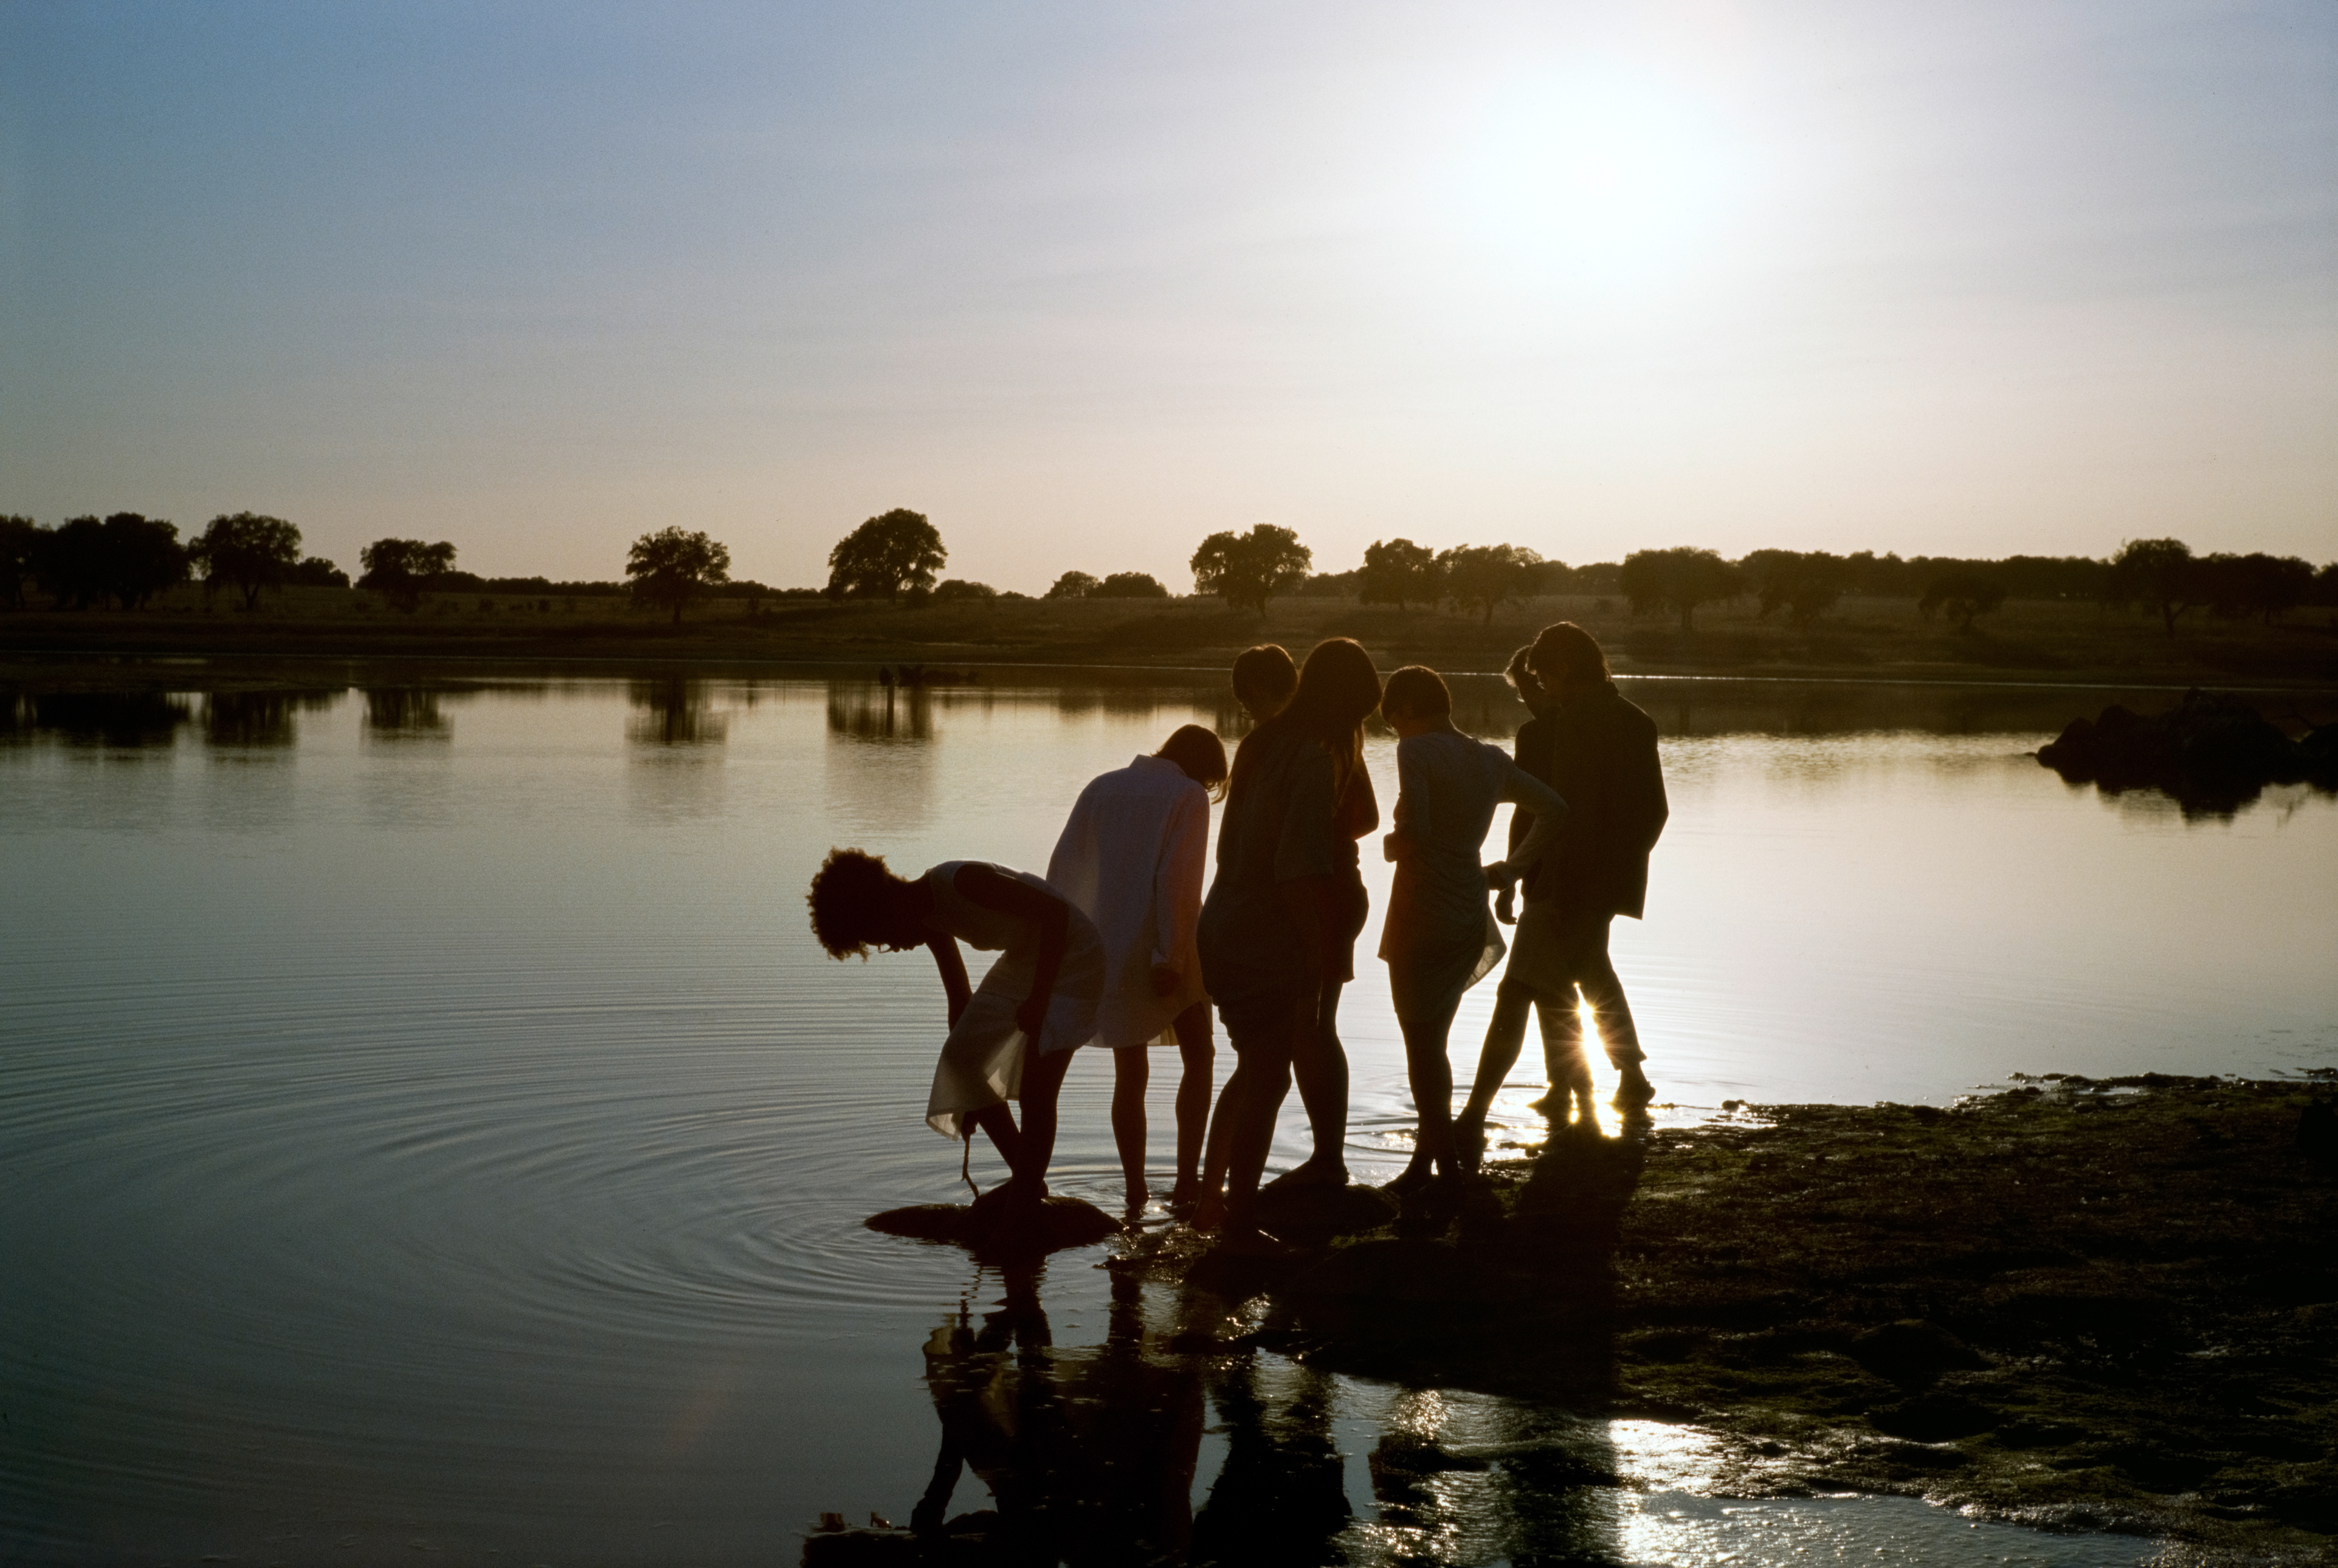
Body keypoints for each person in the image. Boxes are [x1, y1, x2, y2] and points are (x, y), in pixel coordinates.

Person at [1193, 637, 1382, 1235]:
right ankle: (1239, 1223)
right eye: (1357, 714)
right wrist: (1312, 948)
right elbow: (1297, 869)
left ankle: (1210, 1200)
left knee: (1256, 1067)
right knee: (1270, 1074)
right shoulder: (1309, 754)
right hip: (1267, 931)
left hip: (1225, 919)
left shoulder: (1261, 743)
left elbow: (1238, 850)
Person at [1458, 624, 1667, 1155]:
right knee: (1573, 978)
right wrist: (1615, 876)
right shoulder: (1635, 721)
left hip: (1561, 882)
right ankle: (1592, 1092)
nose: (1542, 690)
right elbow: (1652, 813)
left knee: (1518, 992)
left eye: (1545, 676)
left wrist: (1525, 877)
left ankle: (1475, 1114)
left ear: (1565, 671)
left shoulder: (1574, 724)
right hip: (1599, 883)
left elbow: (1558, 817)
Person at [807, 849, 1104, 1206]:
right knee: (960, 1060)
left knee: (1037, 1092)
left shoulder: (961, 882)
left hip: (1072, 953)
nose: (895, 948)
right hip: (1026, 959)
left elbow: (1056, 915)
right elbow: (960, 1005)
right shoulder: (930, 918)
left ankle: (1023, 1200)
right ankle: (1028, 1180)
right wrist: (970, 1099)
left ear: (885, 904)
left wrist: (1040, 1000)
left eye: (883, 936)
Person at [1376, 665, 1565, 1190]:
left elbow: (1416, 828)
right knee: (1433, 1037)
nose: (1396, 733)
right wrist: (1510, 869)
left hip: (1421, 905)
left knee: (1421, 1044)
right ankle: (1427, 1163)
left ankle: (1447, 1172)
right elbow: (1555, 808)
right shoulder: (1489, 759)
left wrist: (1392, 845)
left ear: (1408, 711)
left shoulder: (1415, 751)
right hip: (1466, 907)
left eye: (1394, 723)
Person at [1046, 724, 1227, 1212]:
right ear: (1205, 773)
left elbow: (1064, 869)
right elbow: (1179, 882)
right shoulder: (1187, 795)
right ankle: (1188, 1182)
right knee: (1201, 1055)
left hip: (1106, 949)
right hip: (1162, 948)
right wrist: (1171, 957)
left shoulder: (1101, 786)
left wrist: (1064, 951)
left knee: (1130, 1073)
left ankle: (1135, 1191)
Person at [1230, 644, 1298, 724]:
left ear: (1256, 692)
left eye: (1247, 704)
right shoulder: (1310, 727)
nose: (1248, 710)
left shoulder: (1263, 734)